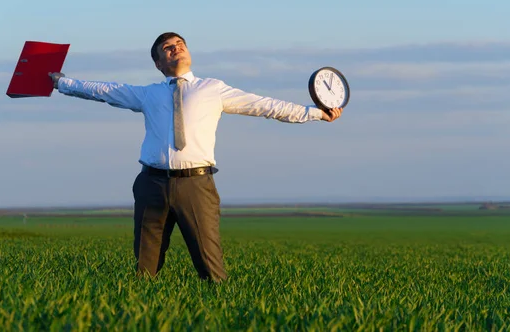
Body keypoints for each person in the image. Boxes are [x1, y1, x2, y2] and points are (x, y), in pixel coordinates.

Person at [49, 32, 343, 282]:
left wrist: (316, 113)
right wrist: (62, 82)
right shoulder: (147, 94)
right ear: (158, 63)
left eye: (180, 43)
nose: (176, 47)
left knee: (211, 267)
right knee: (144, 270)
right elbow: (103, 91)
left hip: (196, 185)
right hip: (151, 184)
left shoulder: (213, 89)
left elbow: (265, 106)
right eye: (167, 47)